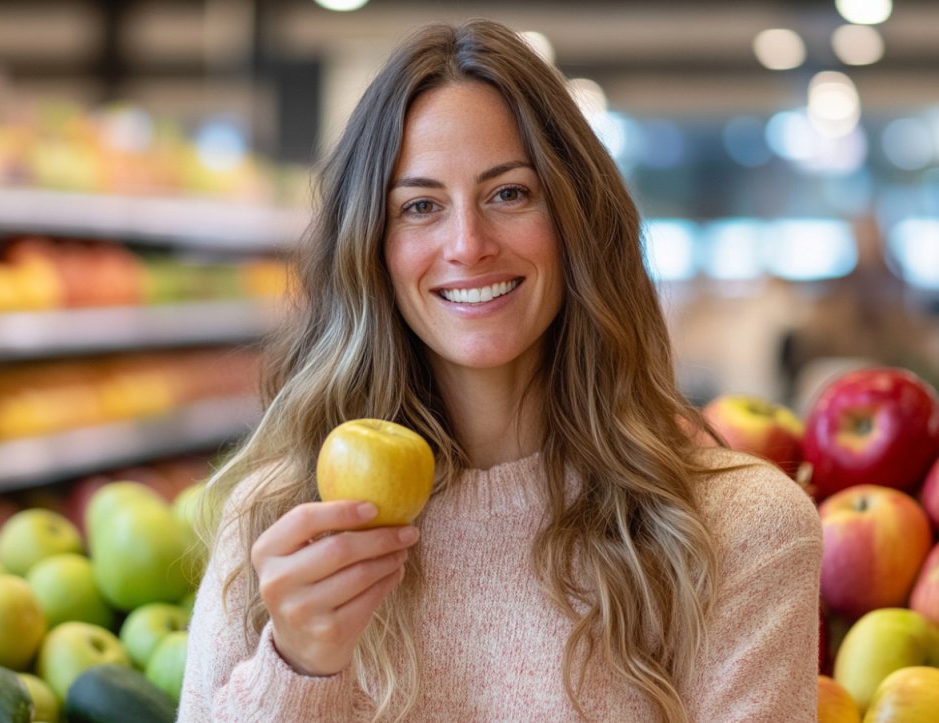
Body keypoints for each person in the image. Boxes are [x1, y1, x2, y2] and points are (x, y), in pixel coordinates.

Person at [179, 18, 822, 722]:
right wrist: (296, 666)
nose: (467, 244)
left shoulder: (738, 531)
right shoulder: (280, 528)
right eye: (420, 206)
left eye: (509, 193)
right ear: (372, 250)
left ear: (577, 218)